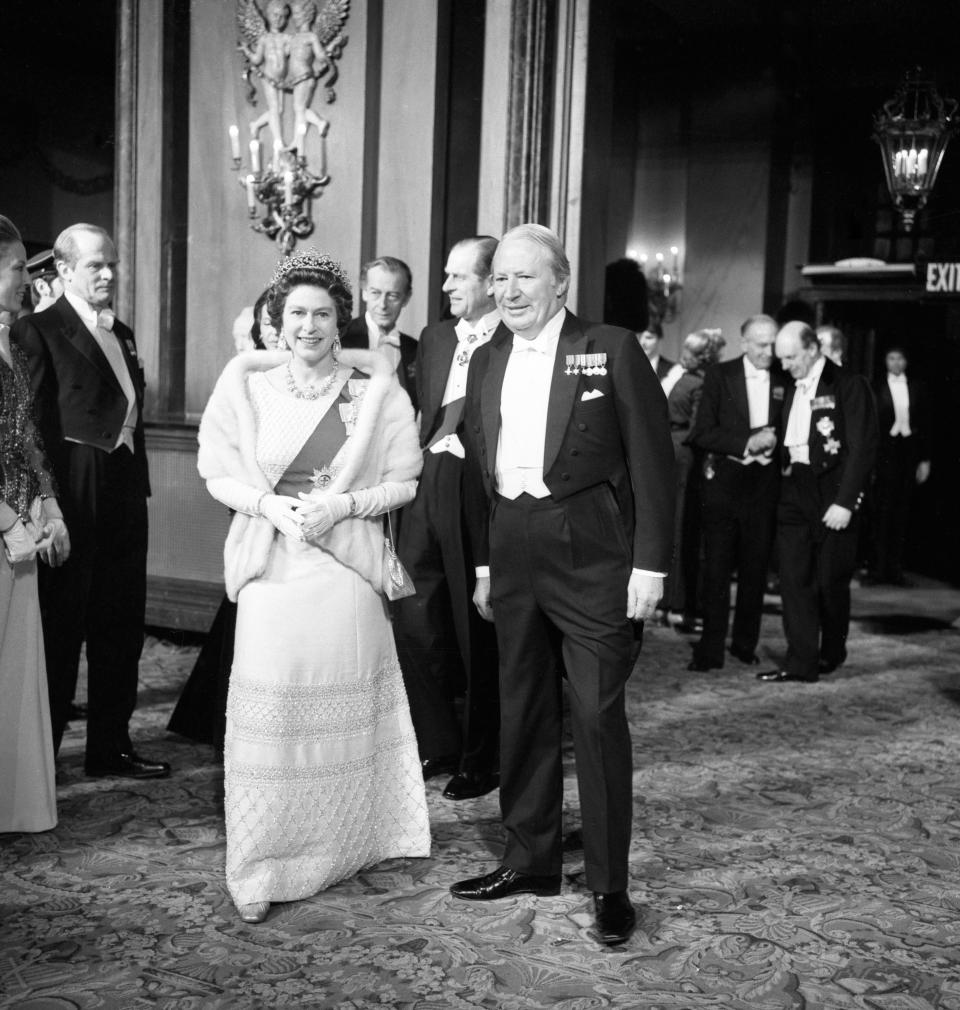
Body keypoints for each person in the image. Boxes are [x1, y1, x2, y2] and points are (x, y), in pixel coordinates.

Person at [453, 224, 675, 947]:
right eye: (500, 279)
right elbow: (484, 472)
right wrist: (488, 567)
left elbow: (652, 463)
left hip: (593, 553)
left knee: (596, 716)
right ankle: (530, 857)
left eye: (525, 277)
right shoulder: (487, 359)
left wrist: (650, 565)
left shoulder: (608, 348)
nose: (508, 291)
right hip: (513, 549)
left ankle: (610, 884)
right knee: (520, 707)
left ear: (560, 282)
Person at [196, 248, 430, 924]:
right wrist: (266, 507)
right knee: (274, 719)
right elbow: (216, 470)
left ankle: (351, 841)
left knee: (345, 719)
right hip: (272, 570)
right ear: (278, 318)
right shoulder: (245, 387)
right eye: (296, 312)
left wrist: (342, 507)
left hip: (344, 571)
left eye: (322, 314)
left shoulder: (376, 393)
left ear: (341, 320)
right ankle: (265, 860)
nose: (308, 325)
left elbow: (405, 480)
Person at [11, 224, 167, 779]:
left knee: (121, 624)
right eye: (97, 265)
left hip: (125, 487)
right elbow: (25, 425)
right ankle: (42, 764)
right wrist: (43, 506)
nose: (108, 274)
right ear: (65, 269)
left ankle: (110, 746)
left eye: (112, 265)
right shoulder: (38, 329)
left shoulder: (120, 330)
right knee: (62, 627)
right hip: (73, 491)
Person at [392, 236, 501, 801]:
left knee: (473, 629)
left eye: (459, 277)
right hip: (426, 486)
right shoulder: (435, 339)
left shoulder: (511, 340)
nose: (447, 286)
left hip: (477, 495)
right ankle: (435, 740)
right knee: (413, 613)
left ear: (490, 281)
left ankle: (483, 757)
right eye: (447, 276)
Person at [169, 287, 277, 751]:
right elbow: (221, 455)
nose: (275, 331)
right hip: (254, 509)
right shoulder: (245, 381)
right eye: (267, 325)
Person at [0, 215, 70, 833]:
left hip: (19, 531)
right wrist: (9, 518)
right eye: (20, 266)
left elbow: (28, 438)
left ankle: (13, 805)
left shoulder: (14, 348)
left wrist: (48, 508)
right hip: (4, 527)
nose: (29, 277)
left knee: (17, 668)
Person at [758, 321, 877, 684]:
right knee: (794, 580)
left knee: (830, 582)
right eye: (782, 358)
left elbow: (862, 448)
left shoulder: (848, 384)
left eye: (791, 357)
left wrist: (846, 502)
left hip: (833, 490)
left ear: (812, 350)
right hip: (795, 488)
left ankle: (832, 651)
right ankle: (801, 663)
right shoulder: (791, 385)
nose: (786, 365)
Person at [688, 315, 785, 671]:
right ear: (743, 343)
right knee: (716, 571)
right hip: (725, 486)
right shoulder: (720, 375)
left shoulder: (783, 376)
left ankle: (745, 643)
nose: (768, 352)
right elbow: (701, 433)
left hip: (765, 488)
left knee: (755, 570)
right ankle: (710, 648)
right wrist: (747, 442)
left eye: (773, 344)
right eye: (761, 344)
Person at [661, 328, 725, 632]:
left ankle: (667, 604)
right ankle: (678, 603)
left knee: (672, 526)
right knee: (684, 528)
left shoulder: (676, 376)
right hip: (686, 456)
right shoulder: (699, 383)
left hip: (668, 451)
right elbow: (701, 428)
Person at [866, 346, 930, 586]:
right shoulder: (875, 385)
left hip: (907, 453)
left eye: (900, 358)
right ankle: (876, 569)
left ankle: (895, 569)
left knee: (901, 512)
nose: (896, 363)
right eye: (891, 358)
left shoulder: (917, 387)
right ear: (885, 360)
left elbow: (925, 423)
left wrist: (924, 459)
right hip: (883, 454)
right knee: (880, 511)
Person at [341, 256, 418, 412]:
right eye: (375, 293)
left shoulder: (416, 349)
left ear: (406, 298)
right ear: (364, 293)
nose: (383, 305)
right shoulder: (340, 339)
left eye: (393, 296)